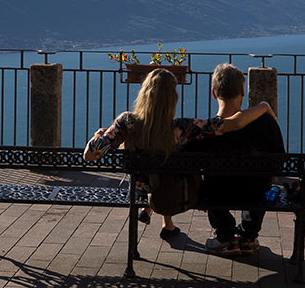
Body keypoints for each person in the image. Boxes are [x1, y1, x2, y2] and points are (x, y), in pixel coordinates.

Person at [83, 67, 276, 239]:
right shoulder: (184, 128)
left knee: (156, 164)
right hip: (171, 191)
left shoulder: (126, 122)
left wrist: (99, 135)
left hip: (140, 190)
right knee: (166, 162)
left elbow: (88, 155)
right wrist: (264, 107)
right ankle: (167, 223)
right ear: (172, 98)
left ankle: (153, 216)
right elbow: (236, 123)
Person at [183, 63, 286, 256]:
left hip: (217, 195)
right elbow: (278, 162)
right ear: (242, 90)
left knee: (209, 185)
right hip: (255, 194)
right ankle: (248, 236)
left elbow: (190, 166)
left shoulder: (204, 131)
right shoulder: (266, 123)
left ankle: (225, 237)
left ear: (214, 93)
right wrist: (264, 107)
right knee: (261, 182)